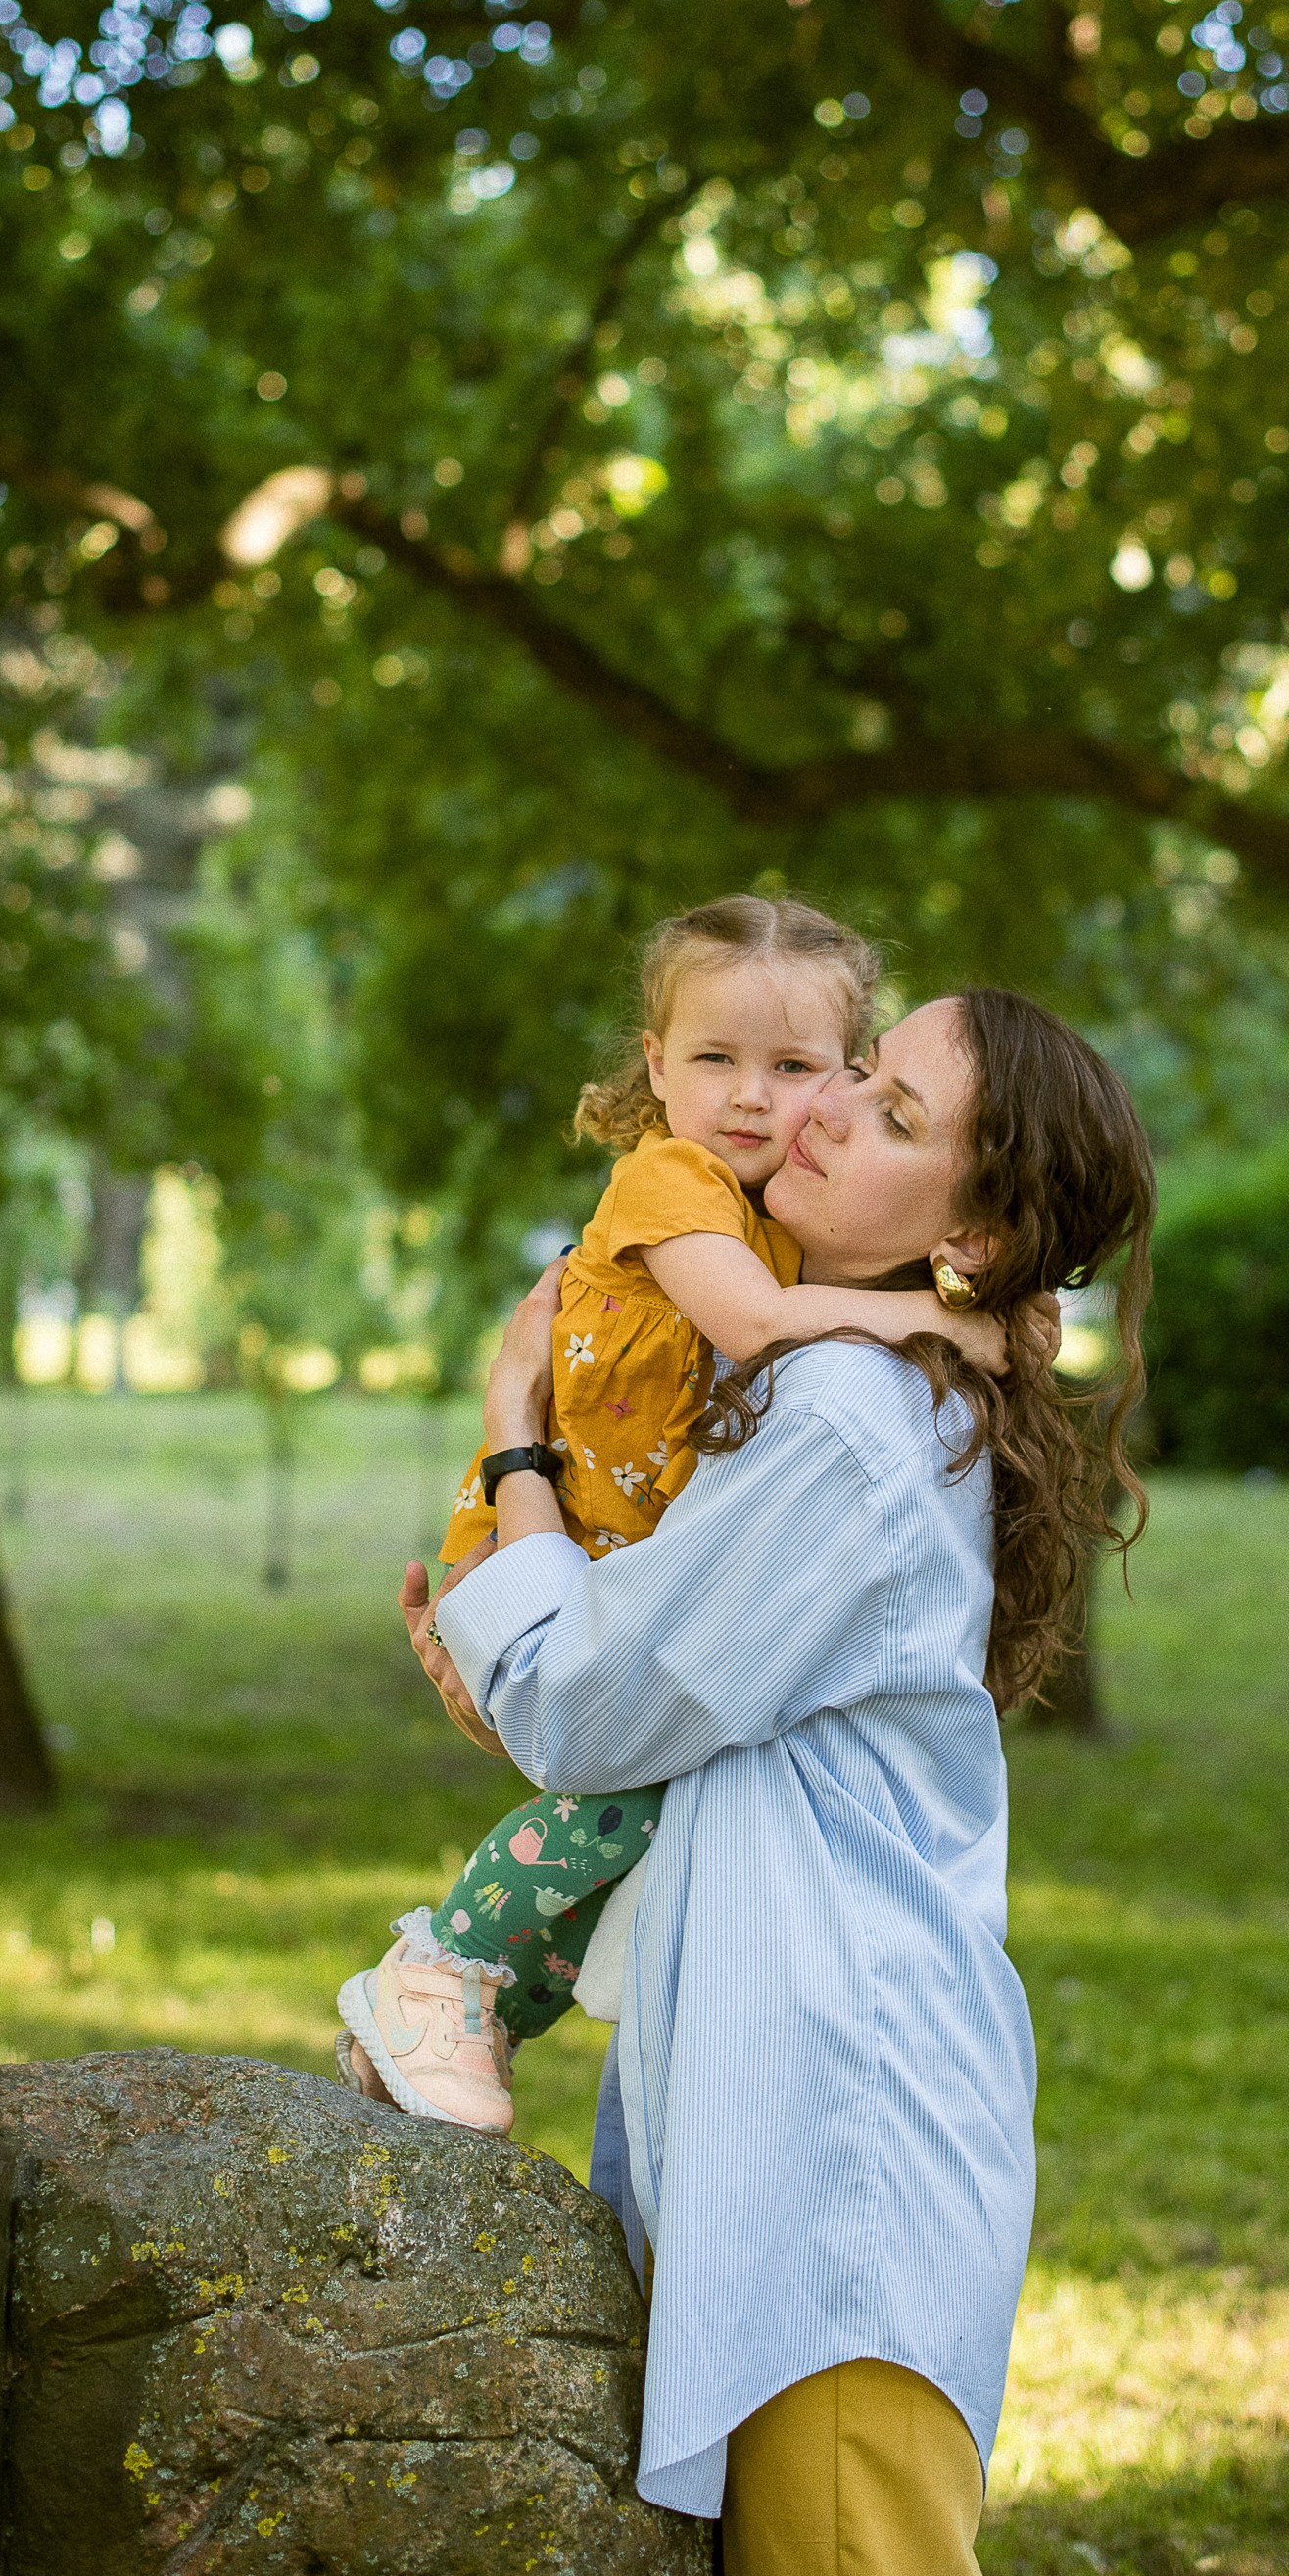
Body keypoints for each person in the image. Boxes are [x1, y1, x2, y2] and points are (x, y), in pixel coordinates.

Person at [400, 988, 1155, 2576]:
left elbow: (591, 1711)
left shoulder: (845, 1425)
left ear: (968, 1231)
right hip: (824, 2120)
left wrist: (518, 1435)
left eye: (889, 1115)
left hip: (836, 2168)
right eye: (855, 1075)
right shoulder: (865, 1389)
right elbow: (640, 1703)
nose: (810, 1112)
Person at [335, 895, 1006, 2131]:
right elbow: (752, 1330)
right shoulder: (673, 1181)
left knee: (635, 1806)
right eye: (714, 1059)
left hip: (618, 1536)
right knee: (620, 1792)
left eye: (795, 1067)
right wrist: (946, 1320)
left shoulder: (783, 1223)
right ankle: (442, 1972)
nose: (753, 1097)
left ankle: (471, 2001)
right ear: (655, 1065)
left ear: (847, 1072)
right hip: (556, 1519)